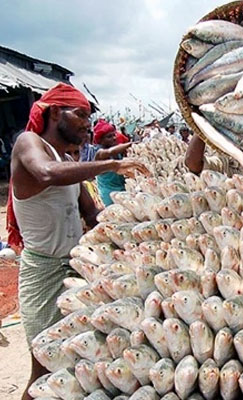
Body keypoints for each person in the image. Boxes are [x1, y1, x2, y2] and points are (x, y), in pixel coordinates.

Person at [10, 83, 148, 399]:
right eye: (82, 114)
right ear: (56, 112)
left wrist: (138, 226)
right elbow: (45, 173)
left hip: (74, 271)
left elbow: (92, 214)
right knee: (44, 367)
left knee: (76, 366)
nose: (88, 124)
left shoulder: (68, 161)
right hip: (44, 273)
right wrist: (113, 164)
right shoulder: (28, 143)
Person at [94, 120, 132, 206]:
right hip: (109, 195)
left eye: (114, 135)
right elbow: (110, 152)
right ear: (100, 140)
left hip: (123, 191)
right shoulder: (99, 153)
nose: (114, 138)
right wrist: (131, 144)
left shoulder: (118, 153)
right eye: (109, 137)